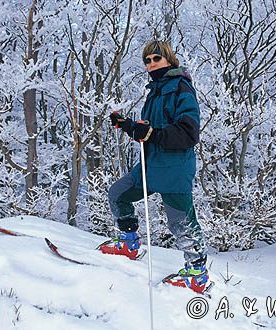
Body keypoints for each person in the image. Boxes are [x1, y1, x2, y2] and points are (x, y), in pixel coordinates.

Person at [99, 40, 209, 293]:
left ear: (169, 59)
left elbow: (188, 133)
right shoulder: (156, 90)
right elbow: (149, 131)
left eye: (156, 58)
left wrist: (150, 132)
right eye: (147, 60)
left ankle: (197, 274)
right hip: (150, 166)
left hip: (174, 168)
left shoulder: (181, 88)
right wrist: (127, 125)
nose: (151, 64)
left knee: (180, 222)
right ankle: (128, 243)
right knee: (118, 194)